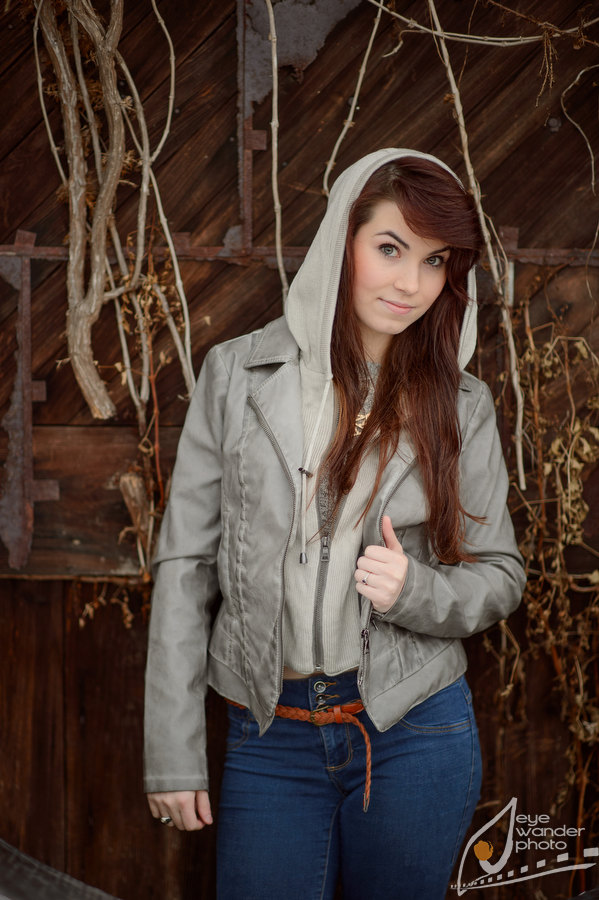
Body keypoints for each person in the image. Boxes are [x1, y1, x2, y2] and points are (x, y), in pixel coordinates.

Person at [144, 148, 526, 899]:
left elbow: (500, 575)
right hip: (269, 735)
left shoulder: (461, 405)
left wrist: (414, 591)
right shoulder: (237, 375)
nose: (410, 283)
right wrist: (172, 752)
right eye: (389, 248)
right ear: (341, 242)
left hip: (411, 733)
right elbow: (186, 564)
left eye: (434, 260)